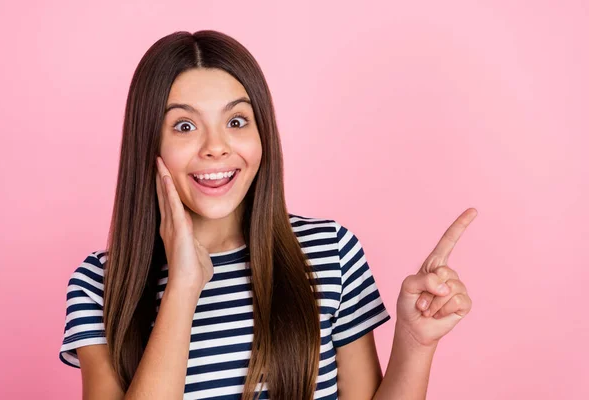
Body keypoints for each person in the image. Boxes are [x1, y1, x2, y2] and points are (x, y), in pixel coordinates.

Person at [58, 30, 476, 400]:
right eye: (185, 127)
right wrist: (183, 286)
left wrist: (415, 344)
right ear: (149, 142)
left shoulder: (331, 252)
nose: (216, 147)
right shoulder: (100, 285)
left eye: (237, 121)